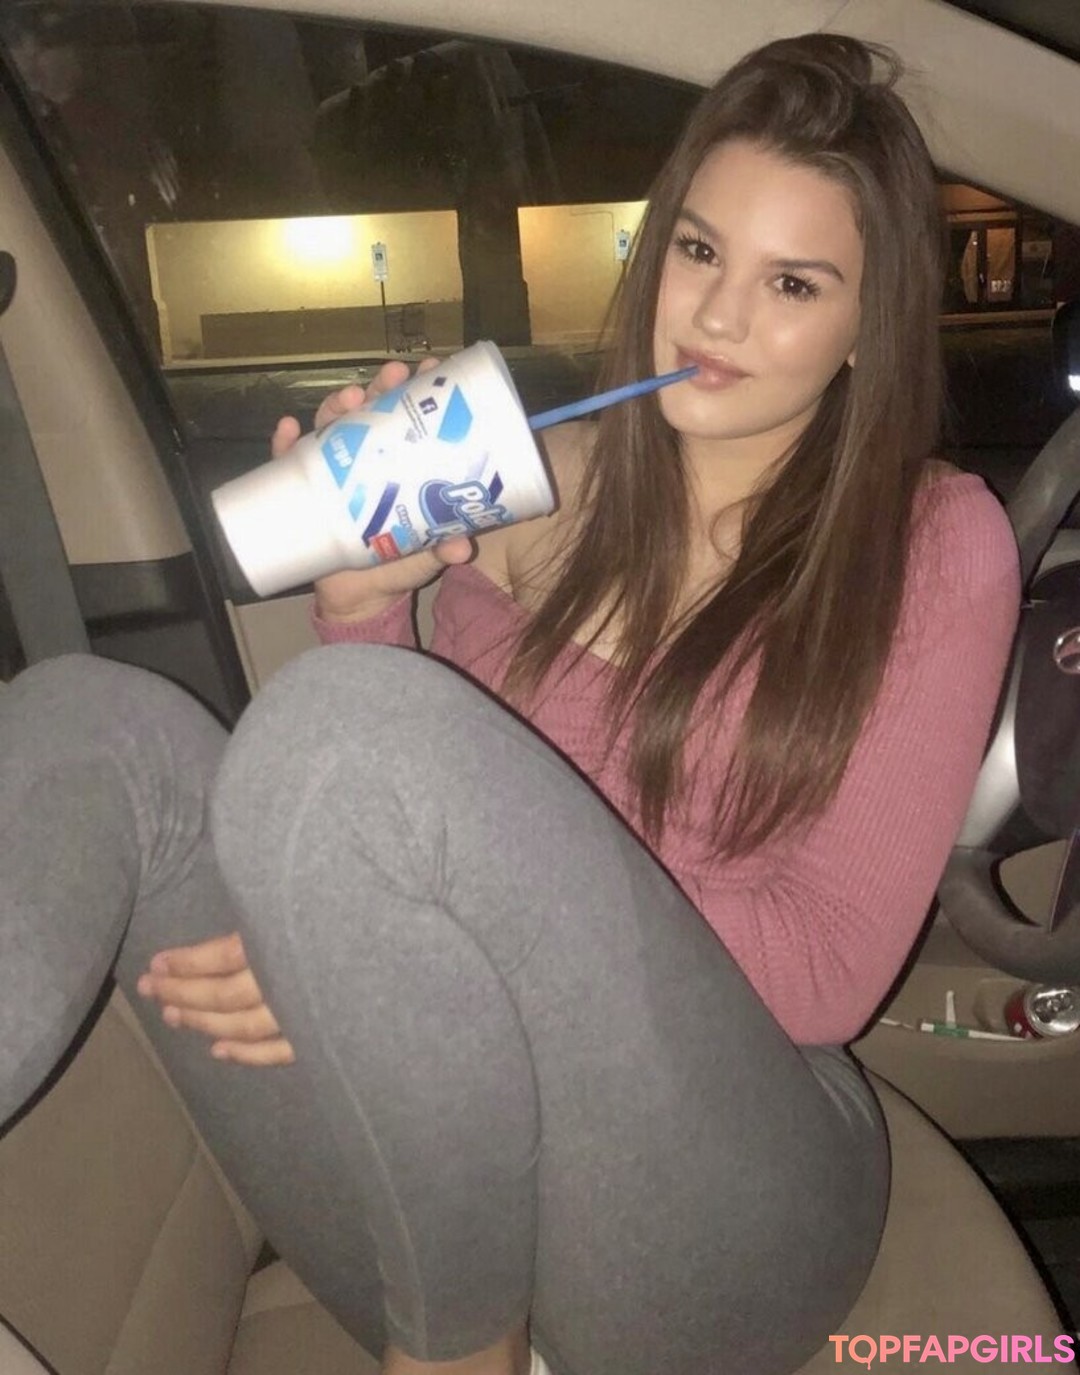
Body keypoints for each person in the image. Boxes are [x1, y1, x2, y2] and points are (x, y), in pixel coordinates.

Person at [3, 33, 1019, 1375]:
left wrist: (427, 944)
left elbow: (828, 972)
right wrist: (367, 600)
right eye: (699, 251)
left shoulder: (930, 542)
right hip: (453, 1188)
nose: (717, 318)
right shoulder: (516, 478)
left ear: (861, 331)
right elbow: (348, 805)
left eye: (792, 284)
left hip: (732, 1198)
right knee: (99, 725)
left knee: (358, 743)